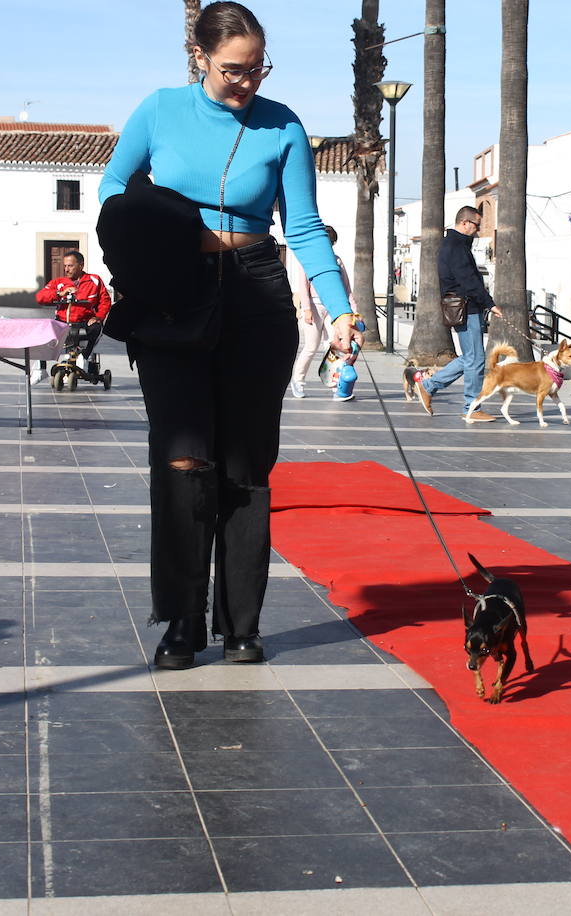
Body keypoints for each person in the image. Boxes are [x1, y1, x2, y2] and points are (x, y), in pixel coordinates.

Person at [98, 1, 362, 668]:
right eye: (233, 71)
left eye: (257, 69)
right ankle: (182, 620)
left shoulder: (284, 127)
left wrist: (340, 311)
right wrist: (138, 247)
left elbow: (301, 227)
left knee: (247, 469)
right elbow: (111, 188)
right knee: (184, 461)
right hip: (173, 298)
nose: (247, 83)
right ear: (200, 57)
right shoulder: (159, 109)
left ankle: (242, 623)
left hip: (256, 293)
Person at [415, 205, 500, 421]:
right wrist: (489, 303)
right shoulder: (455, 246)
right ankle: (471, 408)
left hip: (465, 307)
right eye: (476, 225)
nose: (478, 230)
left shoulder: (455, 244)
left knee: (471, 358)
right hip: (466, 307)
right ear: (465, 223)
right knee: (475, 359)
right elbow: (468, 280)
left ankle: (428, 386)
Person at [287, 224, 357, 399]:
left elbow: (346, 288)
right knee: (311, 347)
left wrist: (352, 311)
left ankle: (336, 385)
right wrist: (306, 309)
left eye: (331, 242)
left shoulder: (337, 260)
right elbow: (302, 286)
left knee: (334, 347)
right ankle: (298, 381)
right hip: (314, 306)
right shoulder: (308, 260)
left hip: (334, 308)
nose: (328, 245)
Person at [33, 250, 111, 383]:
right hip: (63, 321)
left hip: (85, 321)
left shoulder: (94, 280)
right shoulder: (59, 282)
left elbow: (105, 301)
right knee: (43, 331)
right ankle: (40, 369)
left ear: (81, 265)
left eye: (70, 266)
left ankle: (84, 357)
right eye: (65, 266)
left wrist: (98, 317)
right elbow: (40, 297)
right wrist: (60, 293)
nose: (66, 269)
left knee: (96, 328)